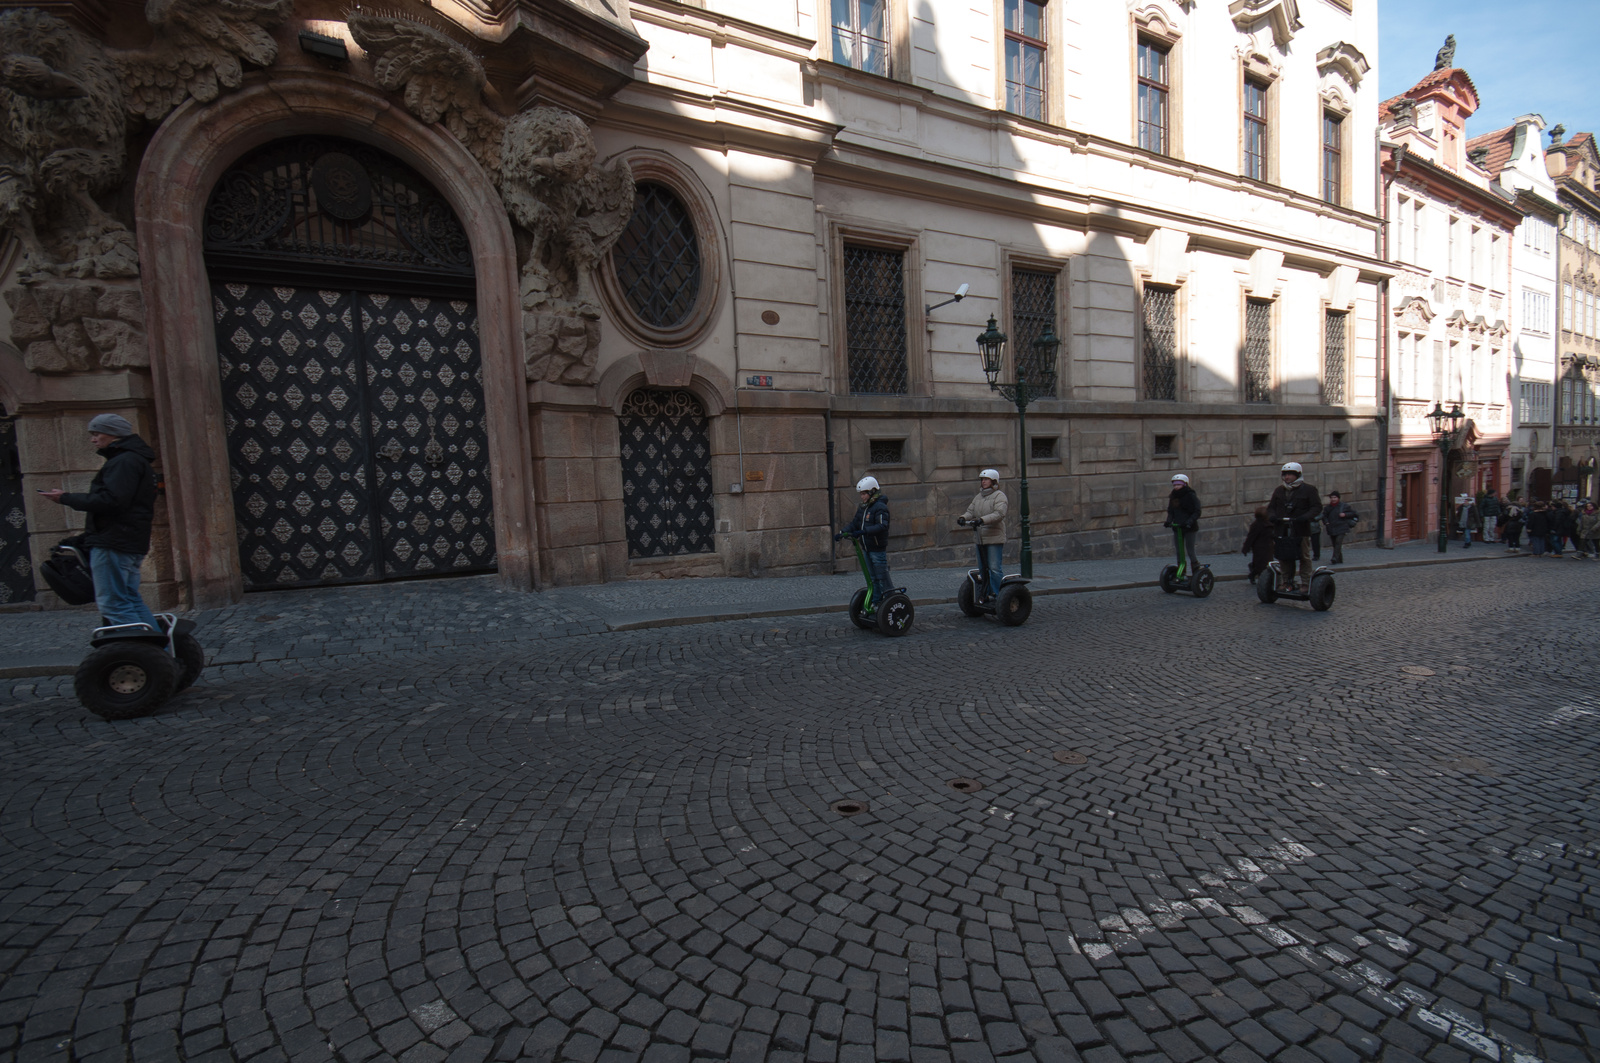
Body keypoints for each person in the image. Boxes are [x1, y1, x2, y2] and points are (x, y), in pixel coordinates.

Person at [37, 413, 162, 630]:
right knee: (129, 599)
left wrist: (66, 498)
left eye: (97, 433)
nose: (93, 439)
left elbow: (113, 500)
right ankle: (160, 651)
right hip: (128, 540)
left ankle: (145, 655)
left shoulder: (124, 461)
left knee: (113, 604)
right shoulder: (134, 460)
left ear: (113, 435)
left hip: (114, 541)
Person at [1266, 462, 1320, 591]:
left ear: (1297, 475)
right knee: (1284, 556)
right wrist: (1272, 516)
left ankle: (1305, 583)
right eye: (1285, 474)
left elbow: (1317, 507)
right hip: (1282, 529)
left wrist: (1305, 517)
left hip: (1300, 529)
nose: (1287, 477)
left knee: (1304, 556)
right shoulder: (1279, 490)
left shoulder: (1309, 490)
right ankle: (1286, 582)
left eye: (1290, 474)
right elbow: (1271, 507)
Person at [837, 476, 892, 602]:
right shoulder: (863, 507)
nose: (861, 497)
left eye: (863, 494)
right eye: (861, 494)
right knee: (872, 578)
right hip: (866, 548)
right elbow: (855, 523)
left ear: (872, 492)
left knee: (881, 577)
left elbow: (882, 526)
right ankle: (876, 602)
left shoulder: (880, 507)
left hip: (877, 549)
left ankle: (888, 601)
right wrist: (842, 532)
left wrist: (864, 531)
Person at [957, 469, 1008, 600]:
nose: (983, 481)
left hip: (994, 538)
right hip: (980, 538)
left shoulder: (999, 496)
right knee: (983, 568)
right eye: (982, 480)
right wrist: (963, 517)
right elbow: (971, 511)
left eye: (986, 479)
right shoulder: (979, 497)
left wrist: (982, 520)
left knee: (994, 568)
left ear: (994, 481)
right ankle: (984, 593)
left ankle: (997, 595)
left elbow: (999, 514)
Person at [1163, 473, 1201, 579]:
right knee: (1179, 551)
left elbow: (1197, 511)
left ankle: (1196, 571)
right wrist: (1168, 521)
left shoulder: (1191, 495)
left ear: (1184, 484)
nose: (1176, 487)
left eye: (1178, 485)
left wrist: (1189, 522)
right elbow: (1171, 511)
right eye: (1174, 485)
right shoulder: (1173, 496)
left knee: (1190, 550)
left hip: (1189, 527)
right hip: (1178, 527)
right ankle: (1181, 572)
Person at [1320, 492, 1360, 565]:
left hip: (1342, 527)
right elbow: (1324, 516)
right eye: (1332, 497)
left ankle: (1334, 558)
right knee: (1335, 544)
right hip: (1332, 527)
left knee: (1338, 542)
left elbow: (1353, 513)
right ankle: (1339, 559)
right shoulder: (1328, 508)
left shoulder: (1344, 506)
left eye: (1335, 497)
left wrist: (1345, 514)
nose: (1333, 499)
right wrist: (1326, 523)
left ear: (1338, 498)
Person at [1241, 506, 1273, 583]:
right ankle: (1256, 576)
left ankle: (1258, 575)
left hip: (1268, 547)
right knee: (1261, 565)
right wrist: (1246, 548)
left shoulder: (1269, 524)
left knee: (1266, 564)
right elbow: (1251, 537)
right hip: (1260, 548)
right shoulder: (1256, 525)